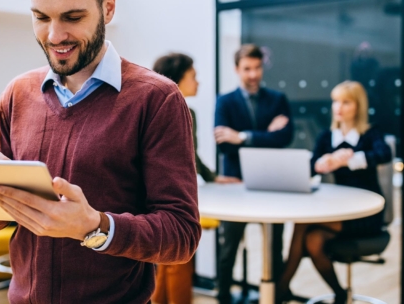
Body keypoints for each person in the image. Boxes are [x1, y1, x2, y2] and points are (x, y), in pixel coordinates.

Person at [0, 0, 201, 304]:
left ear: (108, 7)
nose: (55, 35)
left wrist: (94, 227)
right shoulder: (17, 94)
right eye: (41, 17)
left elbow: (181, 235)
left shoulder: (157, 98)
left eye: (73, 17)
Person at [276, 81, 391, 304]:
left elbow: (383, 154)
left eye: (346, 102)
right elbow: (310, 167)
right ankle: (339, 294)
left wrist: (349, 160)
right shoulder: (327, 137)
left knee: (302, 224)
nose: (338, 107)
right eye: (336, 101)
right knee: (313, 240)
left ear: (358, 106)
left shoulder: (370, 133)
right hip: (341, 210)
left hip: (366, 214)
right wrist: (322, 164)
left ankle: (280, 289)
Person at [152, 53, 240, 304]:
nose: (198, 82)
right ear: (177, 80)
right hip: (167, 196)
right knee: (177, 258)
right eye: (193, 76)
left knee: (167, 261)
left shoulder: (178, 109)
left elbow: (191, 156)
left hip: (159, 195)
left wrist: (213, 177)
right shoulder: (176, 110)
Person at [214, 44, 294, 304]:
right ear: (237, 69)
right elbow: (224, 144)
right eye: (247, 68)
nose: (253, 74)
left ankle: (275, 297)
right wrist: (267, 135)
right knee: (228, 250)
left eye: (257, 68)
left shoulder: (278, 99)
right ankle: (223, 297)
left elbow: (285, 137)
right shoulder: (224, 101)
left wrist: (243, 136)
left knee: (274, 247)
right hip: (235, 185)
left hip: (272, 184)